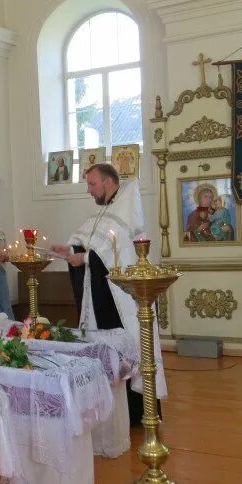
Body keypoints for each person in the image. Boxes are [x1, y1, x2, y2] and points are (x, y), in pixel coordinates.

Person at [50, 163, 166, 426]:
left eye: (92, 184)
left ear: (107, 182)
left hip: (120, 301)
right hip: (101, 297)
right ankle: (112, 412)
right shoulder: (104, 213)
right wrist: (69, 249)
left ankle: (137, 413)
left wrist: (85, 257)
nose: (89, 191)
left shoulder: (125, 214)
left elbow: (119, 254)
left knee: (128, 349)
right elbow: (92, 244)